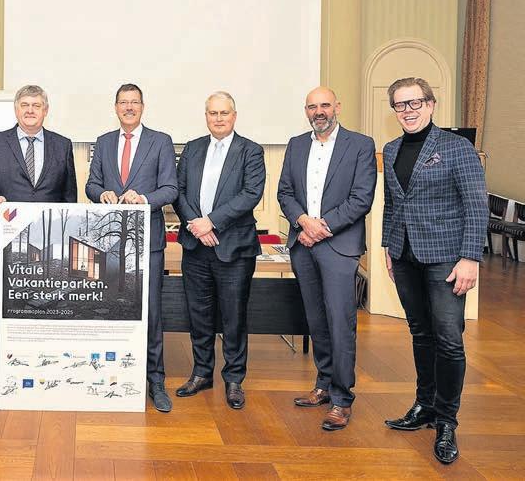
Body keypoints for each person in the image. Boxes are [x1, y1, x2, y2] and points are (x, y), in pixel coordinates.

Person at [381, 77, 487, 465]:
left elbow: (476, 204)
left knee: (448, 339)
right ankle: (424, 405)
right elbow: (392, 204)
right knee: (420, 333)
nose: (407, 111)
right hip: (404, 255)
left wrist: (470, 258)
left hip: (447, 258)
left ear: (430, 104)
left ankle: (446, 421)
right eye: (400, 105)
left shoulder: (457, 147)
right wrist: (388, 247)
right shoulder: (391, 149)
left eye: (414, 103)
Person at [277, 86, 377, 430]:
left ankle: (342, 398)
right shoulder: (296, 144)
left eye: (324, 105)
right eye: (312, 107)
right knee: (316, 319)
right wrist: (303, 222)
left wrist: (322, 227)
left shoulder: (360, 145)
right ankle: (323, 383)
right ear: (306, 111)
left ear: (337, 107)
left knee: (340, 321)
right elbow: (284, 192)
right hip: (303, 243)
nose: (318, 111)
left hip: (338, 245)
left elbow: (361, 198)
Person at [0, 84, 78, 395]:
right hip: (2, 241)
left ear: (46, 110)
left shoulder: (62, 145)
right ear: (16, 109)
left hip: (47, 245)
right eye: (25, 105)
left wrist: (64, 239)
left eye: (36, 105)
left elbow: (68, 195)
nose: (30, 110)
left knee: (45, 305)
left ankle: (40, 364)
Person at [85, 83, 178, 412]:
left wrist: (145, 199)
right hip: (109, 244)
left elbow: (170, 188)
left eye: (134, 102)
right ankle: (114, 375)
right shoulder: (103, 142)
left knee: (150, 312)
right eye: (123, 102)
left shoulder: (161, 141)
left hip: (147, 244)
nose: (129, 107)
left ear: (142, 106)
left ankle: (155, 379)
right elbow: (91, 184)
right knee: (111, 309)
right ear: (115, 107)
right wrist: (101, 194)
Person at [172, 91, 265, 410]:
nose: (218, 118)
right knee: (198, 314)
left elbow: (251, 194)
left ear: (234, 116)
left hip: (234, 248)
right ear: (206, 116)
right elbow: (179, 191)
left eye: (224, 113)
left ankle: (234, 379)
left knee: (234, 317)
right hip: (195, 246)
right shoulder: (193, 148)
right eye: (213, 113)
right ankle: (201, 373)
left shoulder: (250, 150)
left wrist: (211, 222)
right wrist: (196, 225)